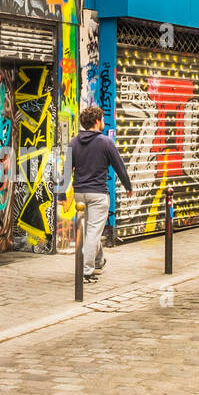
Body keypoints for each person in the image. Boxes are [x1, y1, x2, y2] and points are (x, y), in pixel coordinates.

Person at [62, 105, 132, 281]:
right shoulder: (105, 142)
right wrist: (128, 186)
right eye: (102, 119)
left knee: (91, 230)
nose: (103, 123)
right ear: (96, 121)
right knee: (93, 231)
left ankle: (99, 261)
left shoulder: (74, 141)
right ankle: (87, 270)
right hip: (98, 194)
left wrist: (61, 194)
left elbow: (66, 170)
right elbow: (119, 166)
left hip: (80, 194)